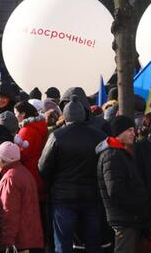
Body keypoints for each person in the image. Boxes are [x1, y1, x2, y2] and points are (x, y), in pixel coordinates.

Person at [38, 101, 106, 253]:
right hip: (92, 195)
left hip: (63, 196)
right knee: (93, 242)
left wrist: (54, 183)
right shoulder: (99, 136)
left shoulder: (57, 136)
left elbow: (43, 166)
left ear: (66, 116)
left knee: (63, 244)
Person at [96, 115, 150, 253]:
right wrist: (137, 206)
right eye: (130, 130)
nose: (134, 133)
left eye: (134, 130)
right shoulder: (112, 155)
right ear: (119, 132)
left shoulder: (119, 152)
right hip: (124, 218)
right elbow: (115, 191)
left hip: (127, 216)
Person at [0, 141, 43, 253]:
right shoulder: (24, 173)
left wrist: (8, 243)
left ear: (5, 160)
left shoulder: (10, 179)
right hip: (31, 240)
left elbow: (9, 213)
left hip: (19, 243)